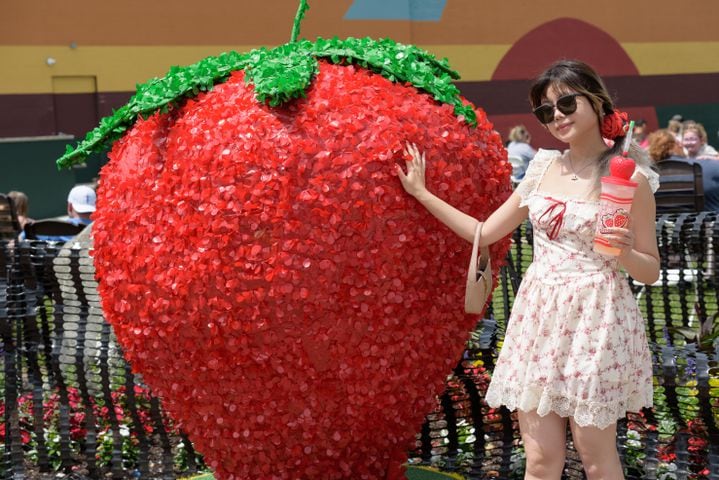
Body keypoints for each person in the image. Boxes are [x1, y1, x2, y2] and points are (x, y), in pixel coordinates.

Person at [397, 59, 660, 479]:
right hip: (538, 318)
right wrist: (422, 193)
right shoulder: (541, 169)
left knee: (596, 458)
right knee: (539, 461)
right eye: (545, 111)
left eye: (567, 104)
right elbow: (484, 232)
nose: (557, 117)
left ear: (596, 102)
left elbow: (649, 271)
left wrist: (626, 253)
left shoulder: (628, 177)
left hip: (597, 316)